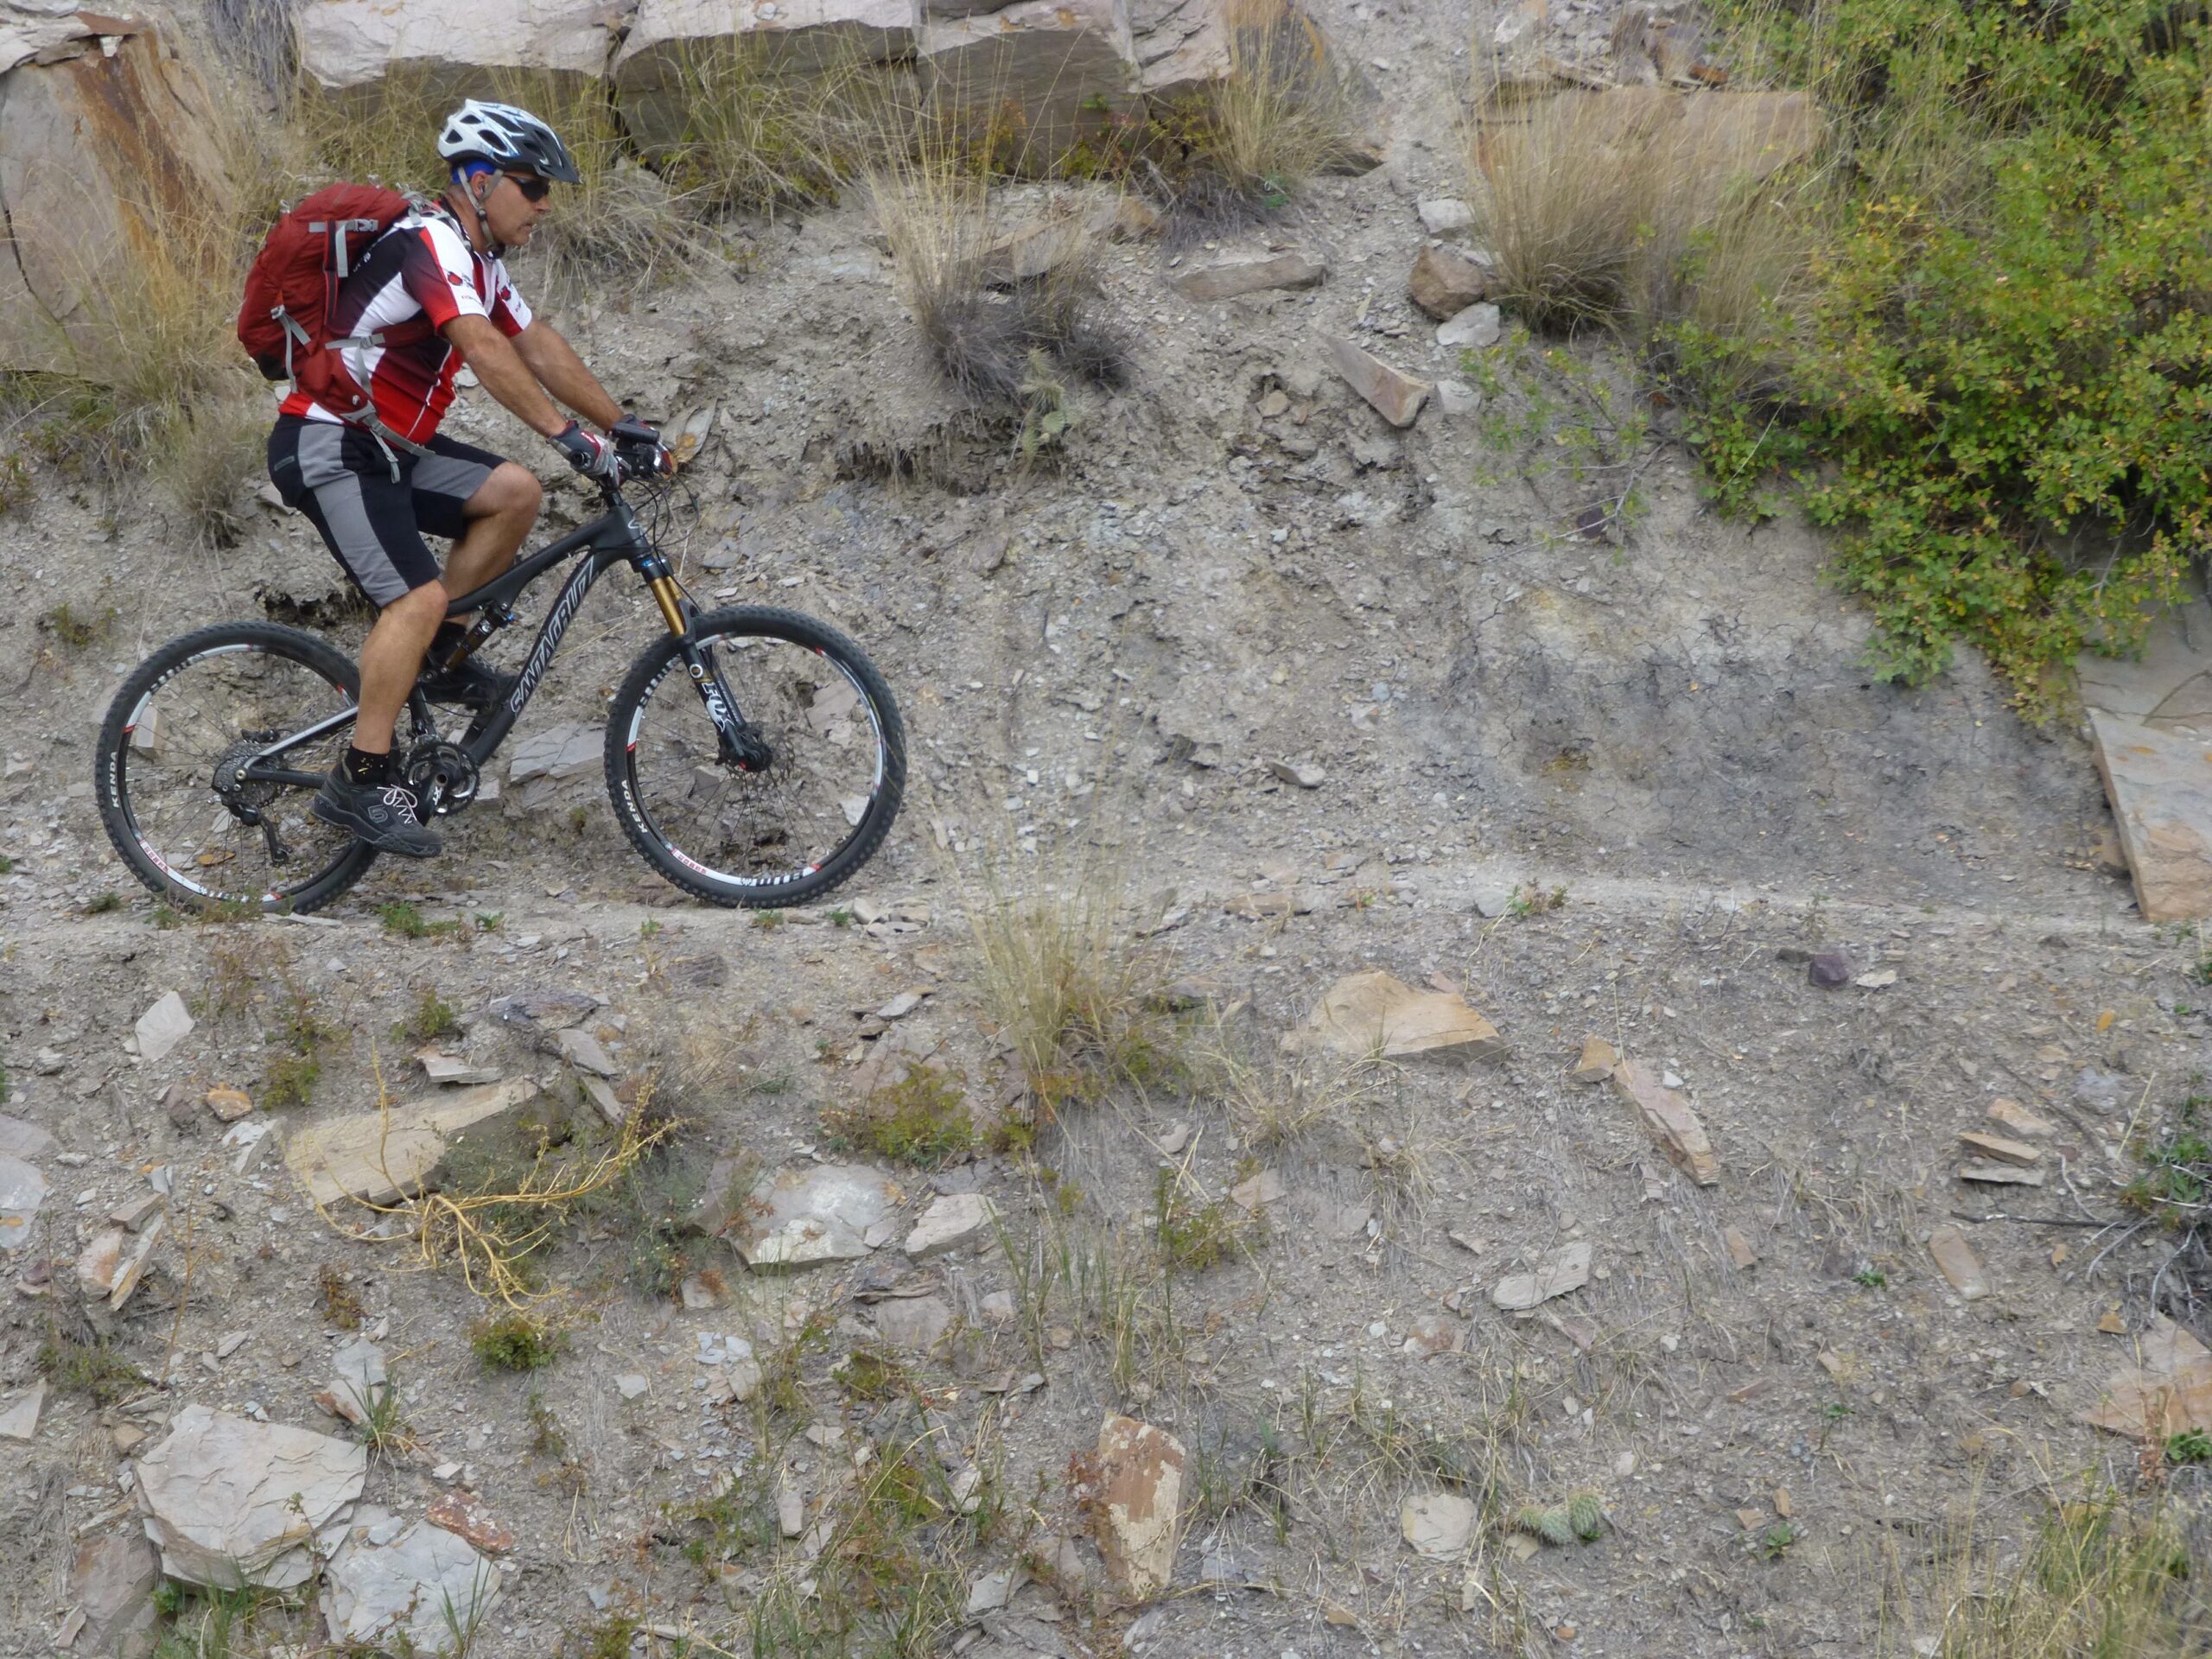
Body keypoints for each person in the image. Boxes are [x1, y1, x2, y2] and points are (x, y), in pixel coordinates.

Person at [264, 99, 667, 858]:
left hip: (388, 447)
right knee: (415, 596)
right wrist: (563, 433)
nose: (545, 205)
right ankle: (360, 776)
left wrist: (620, 425)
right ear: (480, 181)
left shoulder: (482, 263)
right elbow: (478, 344)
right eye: (532, 186)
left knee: (515, 493)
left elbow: (535, 344)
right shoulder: (430, 240)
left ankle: (441, 662)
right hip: (330, 441)